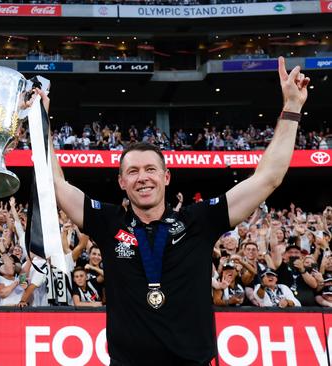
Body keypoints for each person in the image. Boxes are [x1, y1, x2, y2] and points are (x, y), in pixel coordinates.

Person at [48, 56, 309, 365]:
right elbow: (53, 183)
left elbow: (268, 177)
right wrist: (42, 121)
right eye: (132, 172)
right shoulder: (108, 221)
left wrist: (291, 108)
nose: (142, 177)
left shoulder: (199, 219)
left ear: (166, 177)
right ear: (121, 182)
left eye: (150, 169)